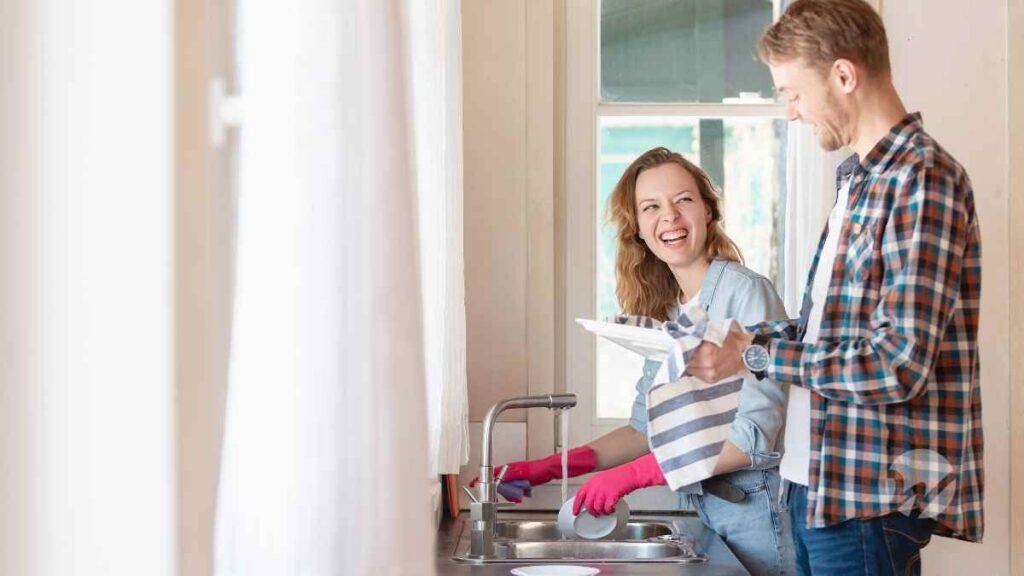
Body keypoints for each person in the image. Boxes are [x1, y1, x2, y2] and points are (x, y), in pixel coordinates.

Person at [683, 1, 985, 574]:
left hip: (865, 498)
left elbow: (898, 363)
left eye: (793, 93)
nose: (792, 113)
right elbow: (828, 331)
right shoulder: (860, 183)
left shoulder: (920, 179)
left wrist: (761, 353)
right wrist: (742, 344)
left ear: (844, 76)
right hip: (817, 486)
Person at [477, 147, 795, 575]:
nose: (670, 216)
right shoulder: (673, 311)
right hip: (704, 509)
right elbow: (645, 429)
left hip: (757, 514)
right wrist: (547, 468)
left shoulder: (747, 293)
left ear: (708, 210)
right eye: (651, 207)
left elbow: (751, 438)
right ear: (638, 229)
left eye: (683, 200)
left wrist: (632, 477)